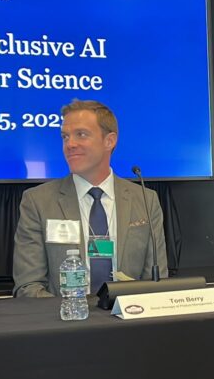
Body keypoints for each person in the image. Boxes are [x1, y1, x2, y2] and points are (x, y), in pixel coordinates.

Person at [13, 99, 167, 298]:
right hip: (65, 323)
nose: (70, 144)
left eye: (81, 135)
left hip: (129, 322)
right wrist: (74, 313)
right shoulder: (38, 201)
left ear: (109, 141)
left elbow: (156, 282)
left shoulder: (146, 200)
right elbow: (28, 286)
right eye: (65, 137)